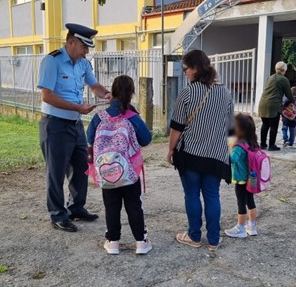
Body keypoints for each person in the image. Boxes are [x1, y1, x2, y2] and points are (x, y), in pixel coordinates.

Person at [38, 23, 112, 232]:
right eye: (84, 47)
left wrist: (106, 94)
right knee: (56, 171)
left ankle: (76, 208)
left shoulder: (82, 63)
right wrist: (77, 107)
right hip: (55, 124)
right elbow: (47, 95)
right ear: (71, 42)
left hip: (75, 124)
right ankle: (58, 215)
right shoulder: (52, 61)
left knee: (81, 166)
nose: (87, 51)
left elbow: (94, 86)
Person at [168, 49, 234, 251]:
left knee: (191, 194)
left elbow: (177, 126)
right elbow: (230, 127)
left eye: (186, 69)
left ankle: (194, 236)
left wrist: (171, 150)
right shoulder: (225, 92)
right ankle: (214, 240)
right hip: (215, 155)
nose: (185, 73)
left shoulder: (188, 92)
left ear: (196, 69)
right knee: (212, 196)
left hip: (190, 154)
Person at [86, 75, 153, 255]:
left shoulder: (99, 117)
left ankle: (113, 242)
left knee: (111, 205)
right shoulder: (132, 117)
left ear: (112, 92)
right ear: (131, 93)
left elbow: (89, 138)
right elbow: (146, 139)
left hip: (107, 170)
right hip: (129, 171)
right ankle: (141, 242)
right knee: (134, 205)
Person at [224, 114, 259, 238]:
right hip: (251, 179)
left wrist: (225, 153)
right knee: (250, 201)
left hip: (241, 181)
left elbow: (233, 159)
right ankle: (252, 226)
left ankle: (241, 228)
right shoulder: (252, 142)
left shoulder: (239, 146)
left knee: (241, 203)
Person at [258, 61, 296, 151]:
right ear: (285, 70)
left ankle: (262, 144)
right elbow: (289, 94)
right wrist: (295, 102)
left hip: (263, 103)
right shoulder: (284, 79)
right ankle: (272, 146)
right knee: (273, 126)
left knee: (265, 124)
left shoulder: (270, 78)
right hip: (273, 105)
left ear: (276, 69)